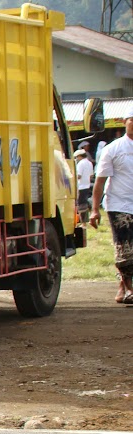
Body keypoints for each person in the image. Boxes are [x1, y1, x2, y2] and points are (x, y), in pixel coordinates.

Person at [91, 107, 133, 304]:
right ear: (125, 122)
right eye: (132, 119)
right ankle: (130, 289)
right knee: (124, 249)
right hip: (119, 205)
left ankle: (123, 285)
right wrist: (93, 210)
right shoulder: (113, 149)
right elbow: (99, 182)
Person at [74, 148, 93, 223]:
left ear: (79, 156)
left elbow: (78, 176)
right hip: (86, 185)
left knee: (80, 205)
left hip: (80, 186)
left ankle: (82, 222)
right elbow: (91, 175)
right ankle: (85, 220)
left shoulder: (81, 164)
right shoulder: (89, 163)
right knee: (84, 204)